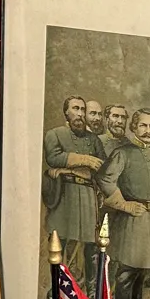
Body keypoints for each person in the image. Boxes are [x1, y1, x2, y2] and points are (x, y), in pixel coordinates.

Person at [98, 108, 150, 299]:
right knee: (127, 273)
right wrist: (124, 205)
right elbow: (104, 179)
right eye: (143, 126)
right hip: (131, 220)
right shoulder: (123, 153)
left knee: (141, 272)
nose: (148, 131)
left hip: (149, 221)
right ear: (134, 127)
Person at [42, 95, 104, 288]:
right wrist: (84, 161)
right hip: (64, 194)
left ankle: (89, 288)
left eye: (83, 109)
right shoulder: (54, 134)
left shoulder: (93, 139)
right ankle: (58, 286)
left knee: (90, 243)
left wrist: (67, 168)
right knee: (59, 239)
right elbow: (53, 158)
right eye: (75, 109)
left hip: (87, 196)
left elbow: (102, 165)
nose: (80, 114)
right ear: (66, 112)